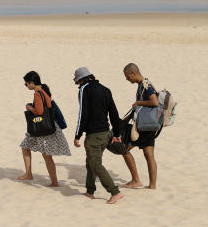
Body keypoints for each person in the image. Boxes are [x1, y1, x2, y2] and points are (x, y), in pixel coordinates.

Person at [72, 67, 125, 204]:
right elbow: (114, 113)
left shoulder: (85, 89)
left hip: (94, 135)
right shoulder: (105, 89)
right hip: (106, 134)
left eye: (78, 82)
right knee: (91, 162)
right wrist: (117, 133)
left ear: (82, 80)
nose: (78, 85)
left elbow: (82, 114)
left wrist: (77, 135)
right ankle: (90, 191)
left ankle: (115, 192)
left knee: (95, 164)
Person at [17, 71, 70, 187]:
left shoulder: (37, 93)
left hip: (41, 128)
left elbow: (39, 112)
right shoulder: (44, 89)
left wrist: (29, 107)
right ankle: (32, 174)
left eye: (26, 84)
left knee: (45, 155)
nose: (26, 86)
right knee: (28, 147)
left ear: (31, 83)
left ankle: (37, 176)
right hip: (49, 126)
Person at [121, 63, 160, 189]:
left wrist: (138, 102)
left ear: (134, 73)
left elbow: (154, 102)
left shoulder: (145, 85)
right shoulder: (142, 85)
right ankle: (152, 185)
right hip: (149, 126)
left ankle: (136, 180)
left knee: (124, 149)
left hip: (144, 127)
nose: (127, 79)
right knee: (149, 155)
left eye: (127, 76)